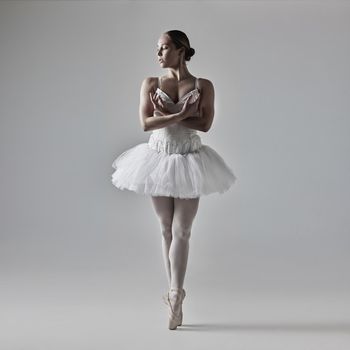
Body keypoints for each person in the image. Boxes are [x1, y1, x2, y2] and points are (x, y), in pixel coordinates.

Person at [111, 30, 237, 330]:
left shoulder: (202, 85)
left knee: (183, 229)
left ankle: (175, 294)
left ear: (181, 50)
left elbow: (205, 124)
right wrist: (181, 113)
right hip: (158, 158)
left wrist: (169, 112)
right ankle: (173, 293)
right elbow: (145, 123)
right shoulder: (151, 83)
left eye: (164, 48)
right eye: (157, 48)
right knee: (166, 228)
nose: (158, 54)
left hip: (190, 158)